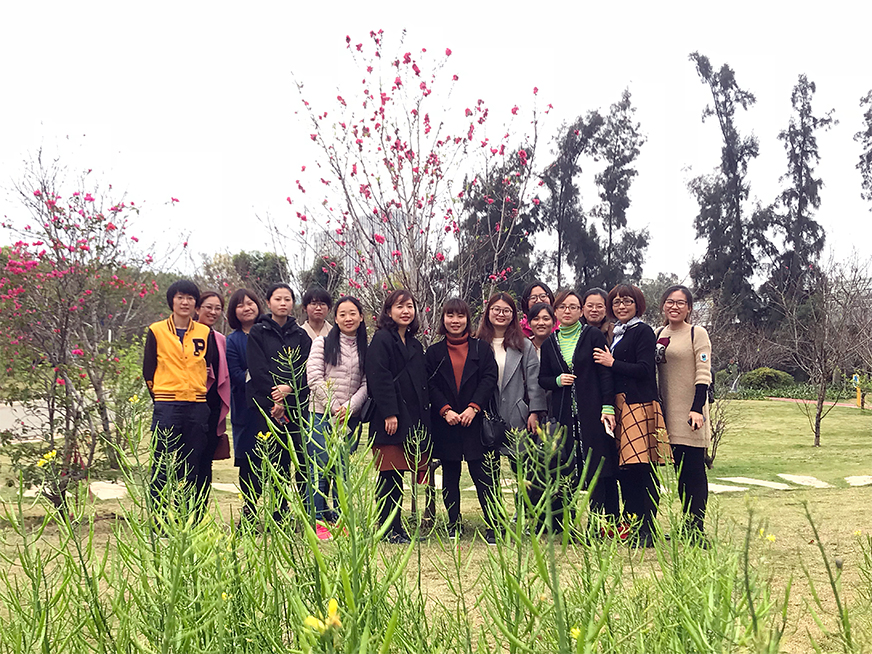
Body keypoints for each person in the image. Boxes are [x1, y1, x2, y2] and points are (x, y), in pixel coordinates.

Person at [538, 290, 618, 534]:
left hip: (593, 411)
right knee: (566, 467)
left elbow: (605, 373)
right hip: (564, 415)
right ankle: (566, 524)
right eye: (562, 307)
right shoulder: (550, 343)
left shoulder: (592, 335)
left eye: (573, 307)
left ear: (581, 311)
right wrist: (557, 380)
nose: (568, 311)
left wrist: (607, 406)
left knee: (597, 466)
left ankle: (600, 523)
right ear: (555, 311)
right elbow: (543, 378)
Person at [593, 284, 667, 547]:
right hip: (620, 405)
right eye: (616, 302)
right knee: (626, 470)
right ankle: (634, 524)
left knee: (641, 469)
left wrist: (612, 363)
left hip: (638, 404)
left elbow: (645, 369)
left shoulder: (642, 331)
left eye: (627, 301)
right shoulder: (616, 333)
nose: (621, 306)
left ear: (638, 305)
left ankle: (647, 527)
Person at [143, 279, 220, 516]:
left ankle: (185, 516)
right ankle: (158, 518)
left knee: (191, 464)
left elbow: (209, 365)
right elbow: (148, 369)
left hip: (196, 405)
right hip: (167, 405)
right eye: (180, 297)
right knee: (162, 464)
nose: (185, 302)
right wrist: (161, 398)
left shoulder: (204, 332)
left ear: (196, 304)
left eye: (190, 298)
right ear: (172, 301)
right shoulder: (156, 331)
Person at [426, 298, 499, 541]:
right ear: (443, 318)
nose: (455, 321)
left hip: (475, 422)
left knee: (483, 476)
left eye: (460, 316)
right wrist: (445, 410)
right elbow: (430, 385)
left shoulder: (481, 349)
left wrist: (473, 407)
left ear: (468, 319)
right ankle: (453, 523)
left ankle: (493, 525)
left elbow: (489, 379)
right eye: (450, 315)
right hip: (447, 422)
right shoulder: (434, 352)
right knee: (450, 476)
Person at [365, 289, 431, 544]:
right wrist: (389, 413)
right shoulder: (382, 339)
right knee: (388, 475)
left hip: (411, 419)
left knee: (400, 473)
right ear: (389, 311)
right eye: (400, 306)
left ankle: (398, 528)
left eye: (409, 306)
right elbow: (379, 377)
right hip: (389, 419)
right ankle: (387, 528)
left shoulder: (414, 343)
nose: (406, 311)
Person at [245, 283, 312, 520]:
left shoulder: (301, 335)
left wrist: (289, 389)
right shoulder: (258, 332)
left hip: (295, 407)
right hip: (265, 407)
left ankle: (287, 512)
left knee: (295, 459)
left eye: (287, 299)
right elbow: (257, 369)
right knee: (265, 459)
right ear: (268, 303)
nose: (283, 303)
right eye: (278, 299)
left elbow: (307, 369)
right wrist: (276, 397)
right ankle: (251, 512)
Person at [306, 296, 369, 540]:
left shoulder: (366, 347)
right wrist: (334, 407)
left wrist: (349, 408)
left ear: (361, 317)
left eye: (353, 313)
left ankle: (343, 521)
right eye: (342, 314)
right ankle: (318, 522)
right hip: (321, 414)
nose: (348, 318)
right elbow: (314, 378)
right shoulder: (322, 343)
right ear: (336, 318)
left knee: (343, 471)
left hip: (349, 418)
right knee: (319, 470)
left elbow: (367, 383)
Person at [655, 285, 712, 542]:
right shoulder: (657, 334)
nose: (674, 306)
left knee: (693, 472)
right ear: (663, 306)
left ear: (689, 308)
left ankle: (695, 528)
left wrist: (697, 408)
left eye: (680, 302)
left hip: (690, 414)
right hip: (666, 413)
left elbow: (704, 372)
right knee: (679, 472)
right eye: (670, 301)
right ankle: (685, 525)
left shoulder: (696, 333)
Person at [476, 293, 546, 436]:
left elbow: (534, 382)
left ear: (513, 315)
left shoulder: (524, 345)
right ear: (488, 312)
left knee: (517, 450)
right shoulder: (477, 344)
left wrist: (534, 412)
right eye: (496, 309)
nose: (501, 314)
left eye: (506, 310)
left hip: (517, 417)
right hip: (485, 418)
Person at [225, 288, 264, 519]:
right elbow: (236, 375)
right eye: (240, 305)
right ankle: (249, 513)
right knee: (249, 465)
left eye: (250, 303)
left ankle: (279, 513)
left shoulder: (268, 332)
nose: (246, 308)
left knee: (276, 461)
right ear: (234, 311)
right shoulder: (233, 341)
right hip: (246, 411)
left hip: (274, 408)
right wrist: (262, 377)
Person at [195, 291, 231, 502]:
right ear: (197, 308)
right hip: (190, 405)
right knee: (187, 461)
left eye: (218, 308)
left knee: (206, 462)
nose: (213, 312)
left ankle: (200, 511)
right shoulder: (187, 335)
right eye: (208, 307)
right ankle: (181, 511)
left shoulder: (219, 339)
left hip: (213, 408)